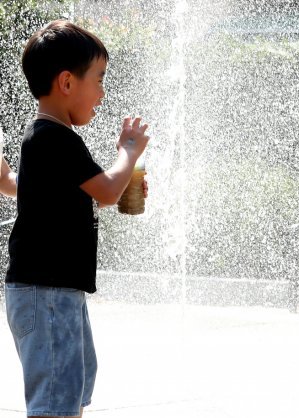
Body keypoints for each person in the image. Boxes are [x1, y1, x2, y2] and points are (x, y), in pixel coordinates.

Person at [4, 20, 150, 418]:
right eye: (99, 80)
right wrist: (129, 153)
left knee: (72, 384)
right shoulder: (56, 138)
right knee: (56, 398)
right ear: (67, 82)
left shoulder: (43, 137)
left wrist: (119, 189)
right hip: (47, 291)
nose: (102, 94)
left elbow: (29, 189)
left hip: (51, 290)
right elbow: (104, 189)